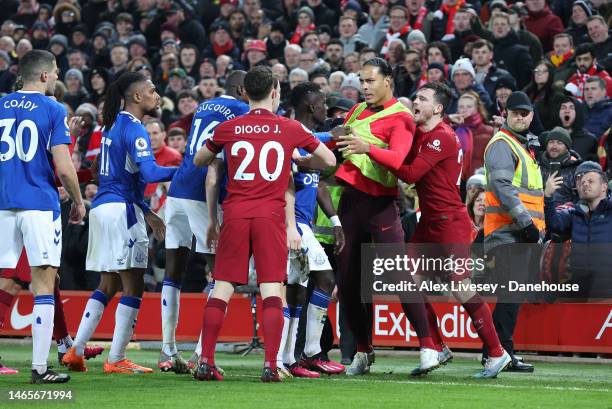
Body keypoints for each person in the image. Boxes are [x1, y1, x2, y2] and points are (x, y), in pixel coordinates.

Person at [192, 66, 335, 383]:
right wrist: (298, 160)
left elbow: (200, 160)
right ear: (275, 92)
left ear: (244, 93)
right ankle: (271, 365)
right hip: (271, 217)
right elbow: (329, 160)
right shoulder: (289, 128)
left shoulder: (229, 127)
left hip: (236, 213)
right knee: (273, 288)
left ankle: (206, 361)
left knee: (222, 288)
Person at [376, 82, 511, 378]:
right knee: (406, 282)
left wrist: (371, 150)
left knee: (461, 288)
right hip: (429, 222)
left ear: (438, 108)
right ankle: (436, 346)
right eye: (415, 97)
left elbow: (410, 173)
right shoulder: (424, 134)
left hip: (450, 223)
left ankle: (497, 353)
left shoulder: (442, 138)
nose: (415, 102)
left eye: (422, 99)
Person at [62, 71, 177, 374]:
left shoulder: (111, 126)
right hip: (121, 213)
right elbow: (151, 174)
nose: (156, 95)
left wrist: (147, 211)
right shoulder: (135, 129)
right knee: (134, 284)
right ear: (137, 96)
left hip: (102, 208)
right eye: (152, 91)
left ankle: (76, 350)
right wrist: (186, 170)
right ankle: (116, 358)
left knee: (108, 282)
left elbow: (109, 176)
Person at [0, 50, 86, 383]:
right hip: (38, 203)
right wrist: (78, 200)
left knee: (4, 279)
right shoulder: (52, 108)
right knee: (43, 283)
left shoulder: (2, 105)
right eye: (57, 72)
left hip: (5, 204)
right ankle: (39, 369)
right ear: (46, 76)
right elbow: (64, 167)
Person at [159, 70, 249, 373]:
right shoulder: (240, 109)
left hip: (178, 190)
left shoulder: (204, 105)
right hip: (203, 190)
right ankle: (201, 352)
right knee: (220, 273)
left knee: (173, 272)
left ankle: (167, 351)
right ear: (241, 90)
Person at [333, 57, 415, 375]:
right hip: (351, 202)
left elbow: (398, 161)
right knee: (349, 283)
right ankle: (363, 352)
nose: (364, 86)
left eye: (370, 81)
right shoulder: (356, 111)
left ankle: (430, 346)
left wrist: (366, 147)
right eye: (361, 81)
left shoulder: (402, 117)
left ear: (388, 81)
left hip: (381, 204)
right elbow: (343, 143)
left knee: (398, 276)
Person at [279, 83, 346, 378]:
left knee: (296, 291)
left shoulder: (305, 142)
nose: (324, 109)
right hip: (290, 223)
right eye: (321, 104)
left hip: (302, 223)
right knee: (324, 278)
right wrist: (332, 135)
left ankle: (291, 357)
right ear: (310, 106)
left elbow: (316, 183)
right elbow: (287, 183)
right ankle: (307, 353)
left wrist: (335, 221)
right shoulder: (290, 132)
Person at [483, 91, 543, 373]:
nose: (520, 117)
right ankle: (500, 351)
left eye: (525, 113)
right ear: (505, 113)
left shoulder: (524, 146)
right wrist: (526, 223)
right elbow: (502, 187)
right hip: (509, 232)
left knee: (510, 296)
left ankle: (495, 352)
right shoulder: (502, 144)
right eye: (515, 112)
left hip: (519, 233)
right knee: (510, 295)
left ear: (531, 115)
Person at [544, 161, 612, 298]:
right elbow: (554, 224)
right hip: (580, 284)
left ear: (604, 186)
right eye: (581, 182)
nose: (584, 184)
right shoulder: (574, 212)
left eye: (590, 181)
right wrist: (548, 196)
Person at [538, 127, 582, 205]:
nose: (554, 146)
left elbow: (583, 199)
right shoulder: (536, 166)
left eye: (559, 143)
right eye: (551, 142)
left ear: (567, 147)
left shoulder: (576, 169)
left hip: (565, 215)